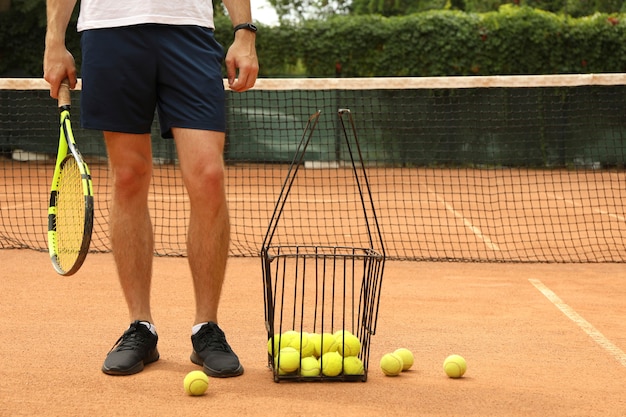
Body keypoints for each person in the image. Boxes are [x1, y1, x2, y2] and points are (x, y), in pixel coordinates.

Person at [43, 0, 258, 377]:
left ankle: (206, 327)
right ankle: (140, 326)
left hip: (188, 30)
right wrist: (54, 40)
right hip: (110, 30)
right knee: (128, 177)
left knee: (209, 175)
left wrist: (245, 33)